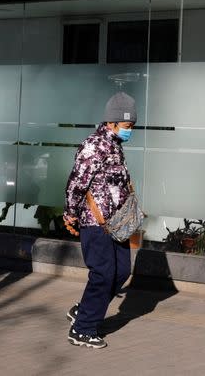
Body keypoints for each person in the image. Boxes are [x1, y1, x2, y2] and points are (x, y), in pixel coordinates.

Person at [63, 92, 137, 349]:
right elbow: (76, 183)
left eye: (132, 126)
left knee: (122, 271)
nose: (130, 131)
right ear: (112, 122)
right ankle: (83, 329)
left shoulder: (115, 145)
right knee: (103, 273)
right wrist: (70, 212)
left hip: (118, 223)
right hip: (95, 223)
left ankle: (84, 310)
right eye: (127, 126)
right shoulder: (93, 146)